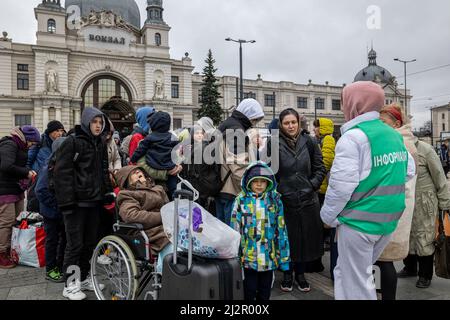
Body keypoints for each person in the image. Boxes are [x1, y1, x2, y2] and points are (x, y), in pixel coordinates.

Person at [320, 81, 416, 300]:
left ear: (354, 104)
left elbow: (340, 187)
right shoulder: (393, 135)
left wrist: (327, 216)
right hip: (387, 221)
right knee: (350, 273)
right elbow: (409, 170)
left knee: (357, 283)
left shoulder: (353, 138)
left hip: (359, 223)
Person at [54, 107, 113, 300]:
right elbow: (62, 174)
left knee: (89, 244)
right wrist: (67, 203)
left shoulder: (101, 143)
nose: (98, 126)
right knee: (74, 245)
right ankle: (70, 284)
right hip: (76, 205)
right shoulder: (72, 142)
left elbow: (103, 170)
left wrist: (106, 193)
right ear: (87, 122)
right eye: (95, 122)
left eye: (100, 122)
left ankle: (85, 277)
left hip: (94, 203)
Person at [271, 108, 326, 293]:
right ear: (281, 125)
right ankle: (287, 275)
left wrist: (311, 185)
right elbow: (269, 172)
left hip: (307, 200)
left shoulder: (309, 141)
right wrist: (278, 190)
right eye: (286, 123)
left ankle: (301, 275)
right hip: (284, 200)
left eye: (293, 122)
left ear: (298, 123)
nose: (290, 126)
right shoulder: (274, 144)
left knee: (304, 240)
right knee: (287, 239)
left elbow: (320, 168)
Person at [374, 104, 418, 300]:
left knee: (385, 260)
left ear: (397, 123)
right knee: (384, 261)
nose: (380, 126)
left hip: (392, 207)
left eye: (384, 122)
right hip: (396, 205)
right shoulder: (405, 140)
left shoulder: (398, 141)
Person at [231, 162, 290, 301]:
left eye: (262, 181)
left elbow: (281, 229)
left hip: (268, 257)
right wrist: (234, 254)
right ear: (248, 182)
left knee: (265, 292)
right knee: (249, 291)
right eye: (255, 181)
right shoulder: (241, 200)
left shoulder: (275, 200)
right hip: (248, 256)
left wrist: (284, 259)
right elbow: (234, 227)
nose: (259, 185)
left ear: (268, 182)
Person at [397, 137, 450, 289]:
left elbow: (440, 177)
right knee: (407, 234)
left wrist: (445, 204)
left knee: (424, 237)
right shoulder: (396, 148)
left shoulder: (425, 150)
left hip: (424, 202)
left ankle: (425, 275)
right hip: (406, 201)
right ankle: (410, 268)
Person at [217, 98, 265, 226]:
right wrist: (250, 188)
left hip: (220, 186)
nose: (254, 123)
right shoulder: (236, 131)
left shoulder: (227, 124)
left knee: (223, 235)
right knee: (233, 237)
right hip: (231, 191)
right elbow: (239, 168)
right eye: (254, 119)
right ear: (248, 115)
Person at [116, 166, 172, 273]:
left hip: (167, 226)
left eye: (139, 171)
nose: (138, 172)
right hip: (149, 232)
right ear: (127, 180)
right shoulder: (127, 194)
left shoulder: (158, 188)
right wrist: (162, 216)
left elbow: (168, 207)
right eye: (133, 173)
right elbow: (131, 215)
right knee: (175, 246)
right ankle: (166, 272)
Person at [0, 126, 40, 269]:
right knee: (7, 221)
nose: (31, 146)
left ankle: (11, 250)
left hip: (15, 188)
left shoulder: (20, 145)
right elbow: (6, 166)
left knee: (16, 220)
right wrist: (26, 172)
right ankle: (1, 253)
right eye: (32, 142)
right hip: (4, 190)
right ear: (26, 138)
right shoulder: (9, 144)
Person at [35, 137, 67, 283]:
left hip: (61, 211)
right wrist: (56, 205)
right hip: (51, 212)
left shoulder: (64, 164)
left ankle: (60, 266)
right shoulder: (48, 167)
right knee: (52, 240)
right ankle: (51, 269)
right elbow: (40, 190)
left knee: (64, 239)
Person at [130, 111, 182, 201]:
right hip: (170, 169)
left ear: (152, 124)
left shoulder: (149, 138)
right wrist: (179, 164)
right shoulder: (173, 138)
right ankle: (175, 201)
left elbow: (139, 152)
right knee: (173, 189)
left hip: (153, 169)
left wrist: (133, 158)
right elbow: (180, 151)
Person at [308, 118, 336, 275]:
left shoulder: (328, 139)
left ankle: (317, 262)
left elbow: (326, 161)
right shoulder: (321, 139)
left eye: (316, 127)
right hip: (321, 187)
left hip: (322, 188)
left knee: (319, 226)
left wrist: (315, 178)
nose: (314, 129)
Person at [26, 120, 65, 212]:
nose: (60, 133)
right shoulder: (40, 143)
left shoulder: (63, 143)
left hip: (54, 179)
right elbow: (28, 159)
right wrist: (30, 174)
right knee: (36, 205)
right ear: (50, 132)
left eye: (61, 131)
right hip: (38, 179)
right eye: (57, 131)